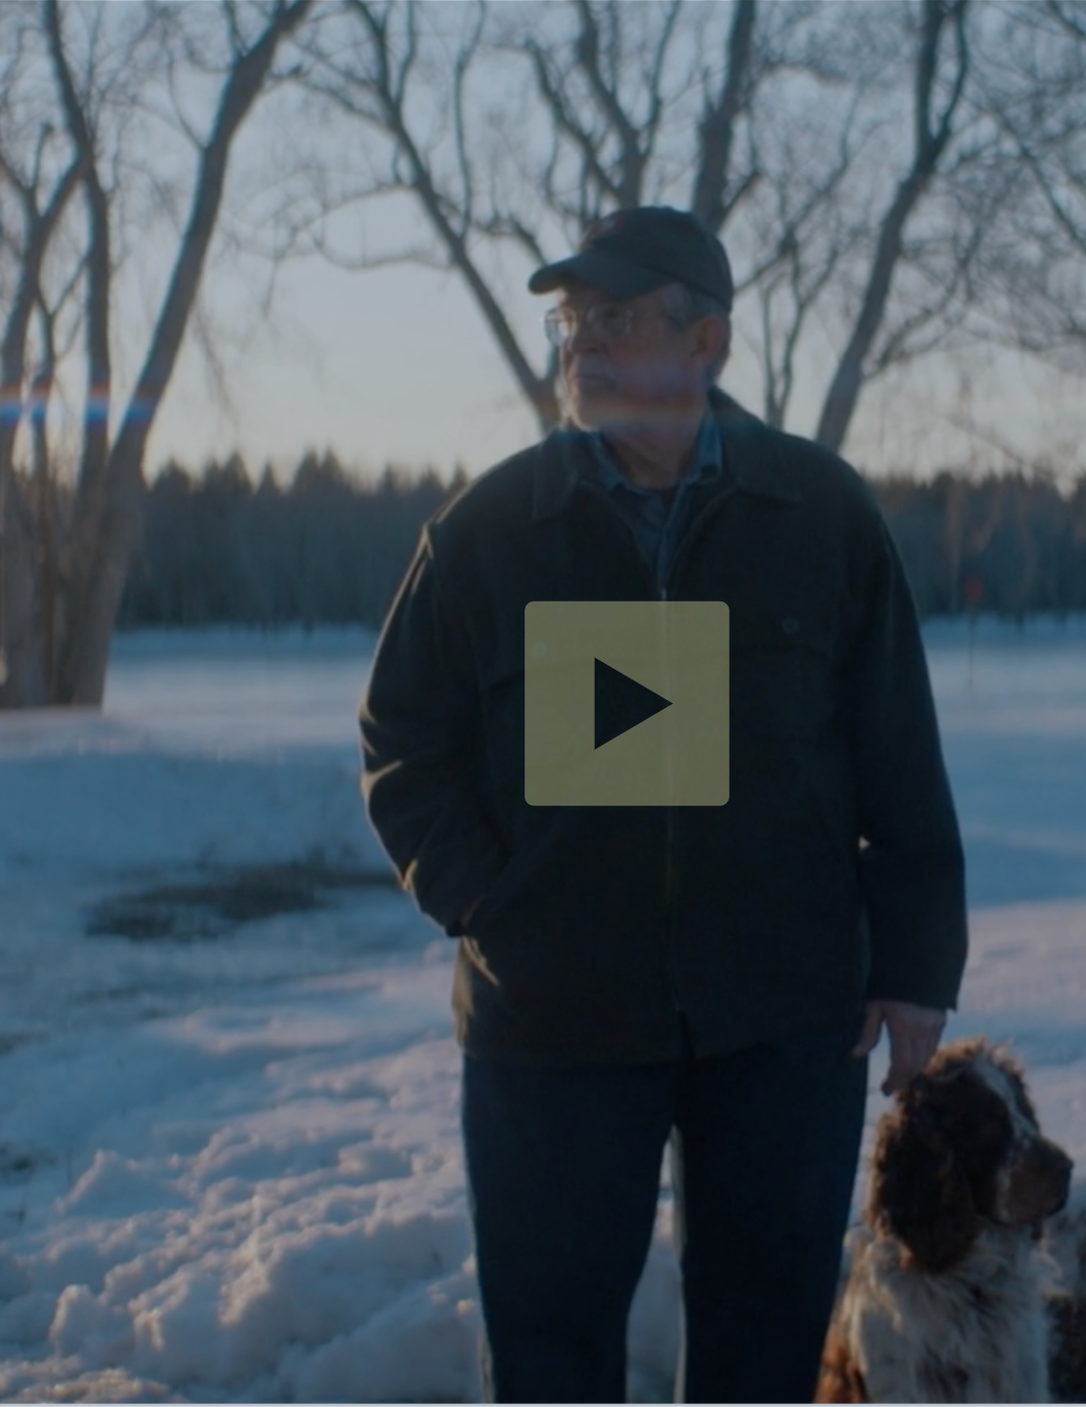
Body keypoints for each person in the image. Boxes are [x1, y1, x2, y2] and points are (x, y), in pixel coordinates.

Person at [358, 206, 967, 1404]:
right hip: (553, 1019)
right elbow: (401, 744)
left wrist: (913, 961)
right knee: (548, 1352)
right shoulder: (491, 531)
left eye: (618, 319)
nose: (581, 344)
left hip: (784, 1014)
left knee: (763, 1342)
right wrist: (494, 903)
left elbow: (898, 748)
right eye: (572, 321)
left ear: (708, 345)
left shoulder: (818, 515)